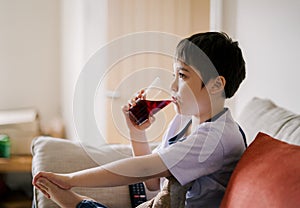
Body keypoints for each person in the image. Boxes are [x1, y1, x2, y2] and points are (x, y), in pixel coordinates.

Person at [32, 32, 246, 208]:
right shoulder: (183, 122)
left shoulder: (217, 138)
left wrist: (70, 180)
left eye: (182, 76)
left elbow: (144, 169)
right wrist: (137, 132)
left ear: (216, 85)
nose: (172, 87)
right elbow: (153, 182)